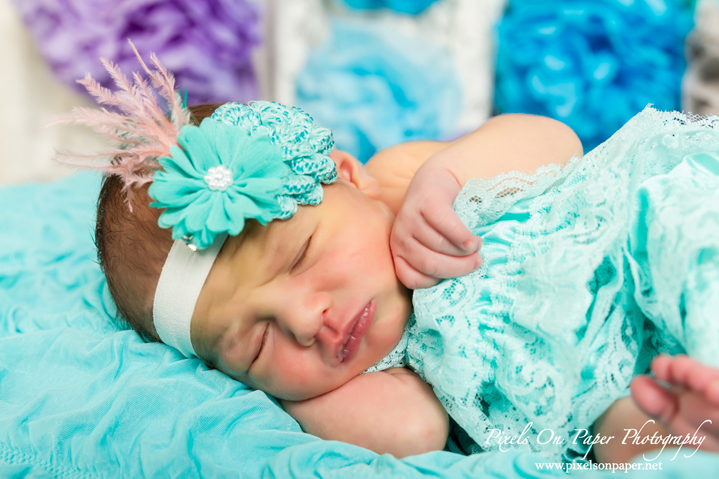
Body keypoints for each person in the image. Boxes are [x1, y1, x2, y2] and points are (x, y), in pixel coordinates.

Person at [60, 52, 719, 463]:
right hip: (601, 389)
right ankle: (695, 420)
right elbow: (412, 429)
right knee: (623, 437)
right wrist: (302, 401)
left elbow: (556, 141)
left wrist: (449, 175)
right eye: (253, 346)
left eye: (300, 254)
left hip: (642, 243)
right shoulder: (383, 377)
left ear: (346, 175)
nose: (301, 318)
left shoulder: (403, 182)